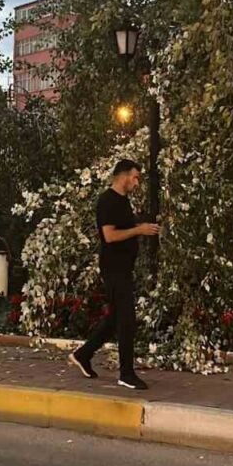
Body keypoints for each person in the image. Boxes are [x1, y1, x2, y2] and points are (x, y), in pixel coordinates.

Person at [69, 160, 160, 390]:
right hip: (114, 269)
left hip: (124, 268)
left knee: (115, 319)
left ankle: (83, 354)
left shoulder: (123, 201)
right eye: (135, 177)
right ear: (123, 175)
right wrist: (139, 230)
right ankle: (126, 373)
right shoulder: (107, 201)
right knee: (127, 320)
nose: (137, 183)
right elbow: (109, 236)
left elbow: (125, 226)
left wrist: (141, 224)